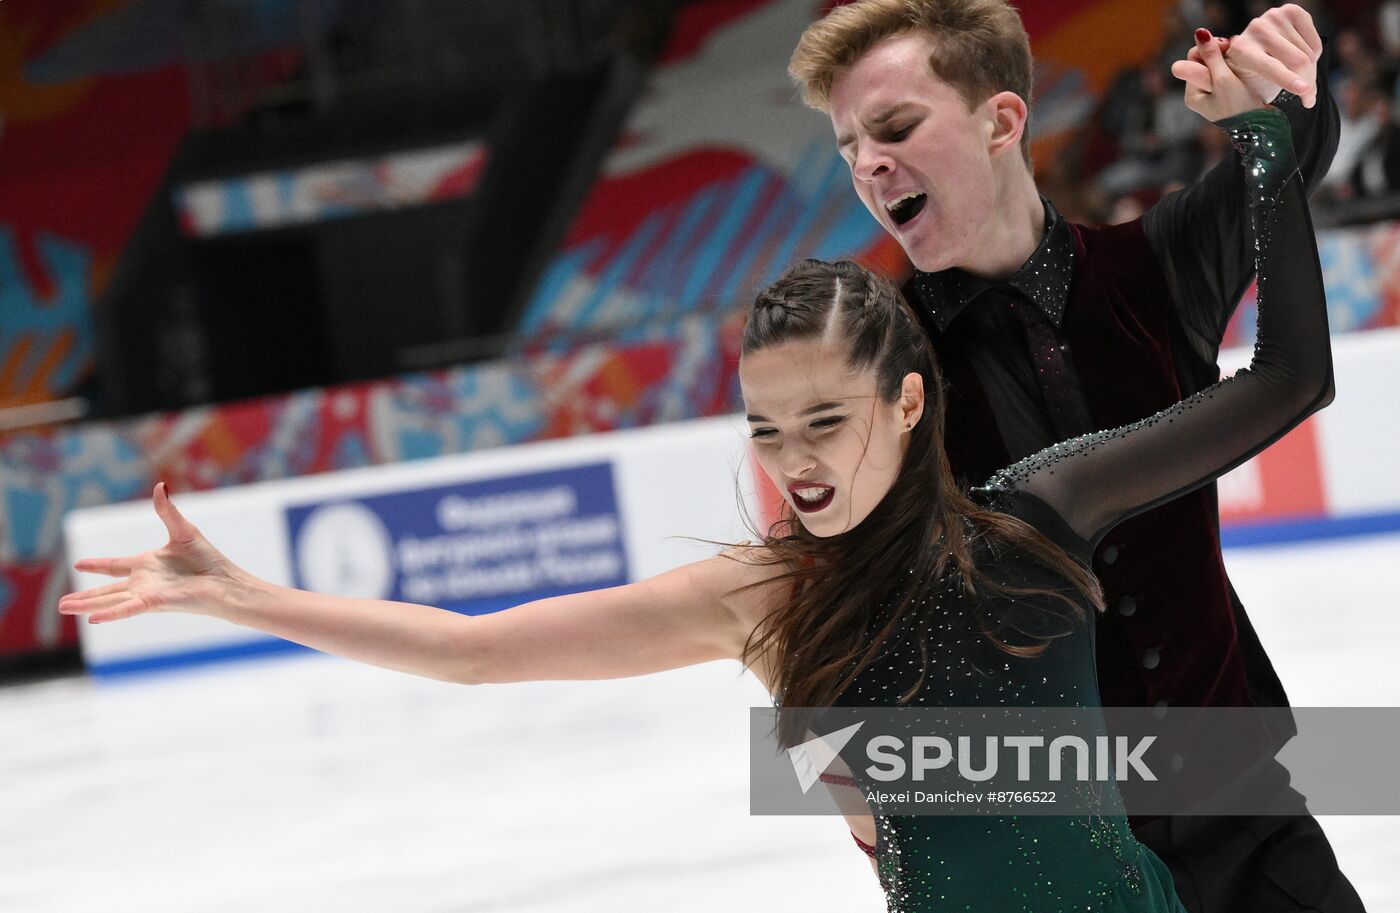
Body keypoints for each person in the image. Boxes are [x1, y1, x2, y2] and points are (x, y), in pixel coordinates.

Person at [63, 51, 1333, 910]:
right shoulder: (767, 596)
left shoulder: (1040, 507)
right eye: (765, 429)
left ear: (905, 402)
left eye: (822, 421)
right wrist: (240, 596)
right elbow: (474, 652)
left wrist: (1268, 137)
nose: (792, 461)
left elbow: (1278, 383)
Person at [788, 2, 1361, 909]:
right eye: (849, 145)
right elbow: (827, 634)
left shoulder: (1154, 265)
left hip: (1249, 812)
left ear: (1002, 121)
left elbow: (1287, 156)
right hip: (1059, 861)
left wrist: (1279, 80)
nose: (868, 162)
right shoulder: (881, 371)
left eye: (894, 127)